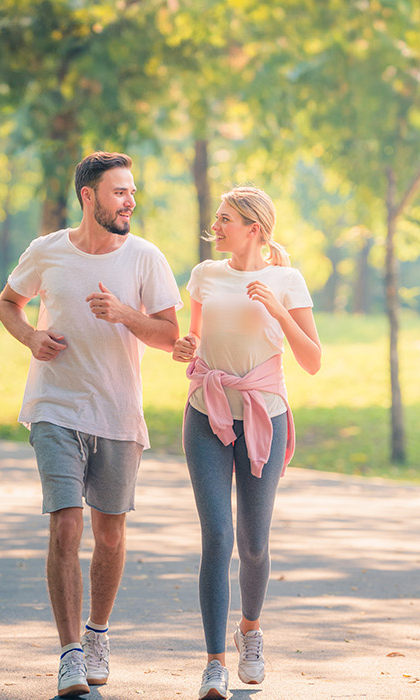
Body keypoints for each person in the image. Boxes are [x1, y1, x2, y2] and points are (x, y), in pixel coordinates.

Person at [0, 151, 182, 697]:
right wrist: (31, 336)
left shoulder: (146, 258)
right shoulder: (47, 251)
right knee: (66, 524)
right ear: (88, 196)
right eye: (119, 191)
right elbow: (8, 303)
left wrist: (124, 314)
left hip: (118, 413)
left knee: (110, 532)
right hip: (55, 407)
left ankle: (98, 634)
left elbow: (171, 337)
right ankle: (70, 652)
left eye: (131, 192)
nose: (129, 201)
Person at [170, 186, 321, 699]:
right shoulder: (205, 275)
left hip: (265, 416)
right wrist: (183, 347)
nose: (217, 225)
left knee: (253, 543)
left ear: (253, 228)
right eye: (218, 217)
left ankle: (250, 633)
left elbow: (312, 359)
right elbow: (189, 343)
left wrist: (278, 311)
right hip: (206, 412)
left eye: (226, 218)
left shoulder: (287, 280)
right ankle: (214, 662)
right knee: (218, 537)